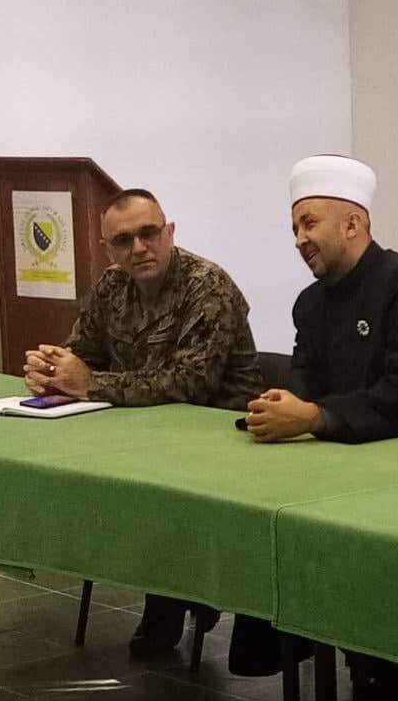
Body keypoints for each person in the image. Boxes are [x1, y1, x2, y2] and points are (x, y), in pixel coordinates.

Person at [229, 155, 398, 701]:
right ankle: (358, 656)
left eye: (309, 224)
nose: (299, 239)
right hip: (352, 456)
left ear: (353, 223)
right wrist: (282, 408)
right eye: (294, 227)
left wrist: (316, 417)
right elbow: (307, 382)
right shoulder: (310, 303)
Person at [23, 188, 263, 658]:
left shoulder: (207, 285)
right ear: (107, 248)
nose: (139, 248)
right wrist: (51, 370)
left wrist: (90, 384)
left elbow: (191, 382)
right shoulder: (112, 286)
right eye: (123, 240)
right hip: (142, 431)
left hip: (218, 435)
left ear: (169, 232)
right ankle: (170, 589)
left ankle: (174, 596)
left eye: (149, 233)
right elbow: (83, 354)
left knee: (162, 485)